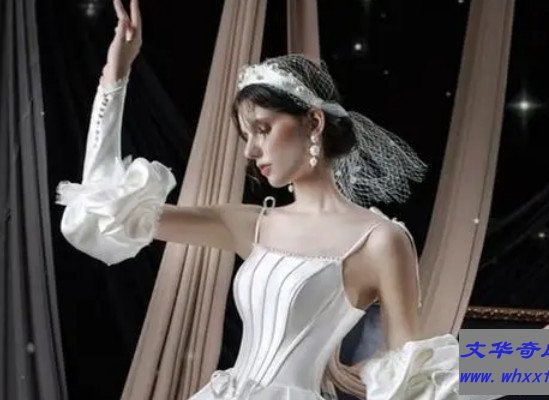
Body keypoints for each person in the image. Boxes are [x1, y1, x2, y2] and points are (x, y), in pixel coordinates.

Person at [55, 1, 479, 399]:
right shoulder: (252, 224)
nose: (250, 150)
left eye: (262, 129)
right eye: (246, 135)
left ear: (313, 122)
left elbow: (416, 372)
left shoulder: (380, 239)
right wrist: (115, 77)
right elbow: (103, 212)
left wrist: (523, 362)